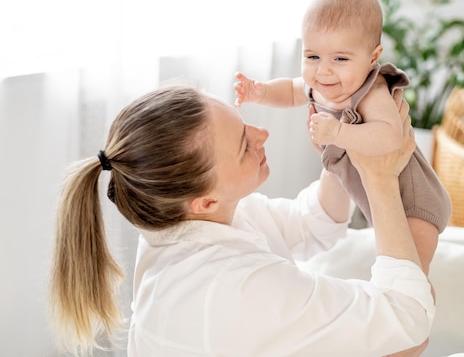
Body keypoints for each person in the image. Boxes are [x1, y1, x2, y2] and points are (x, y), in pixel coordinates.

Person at [49, 84, 435, 357]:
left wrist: (342, 147)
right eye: (242, 145)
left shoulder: (187, 221)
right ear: (204, 200)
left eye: (243, 122)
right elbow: (408, 319)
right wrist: (379, 178)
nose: (262, 134)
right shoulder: (234, 289)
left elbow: (312, 223)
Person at [234, 0, 451, 275]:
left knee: (412, 273)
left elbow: (390, 137)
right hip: (374, 197)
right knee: (391, 263)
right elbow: (289, 91)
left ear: (373, 58)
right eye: (312, 56)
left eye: (340, 59)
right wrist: (259, 93)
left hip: (412, 200)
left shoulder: (371, 91)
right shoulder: (321, 85)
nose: (323, 71)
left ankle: (421, 311)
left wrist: (337, 134)